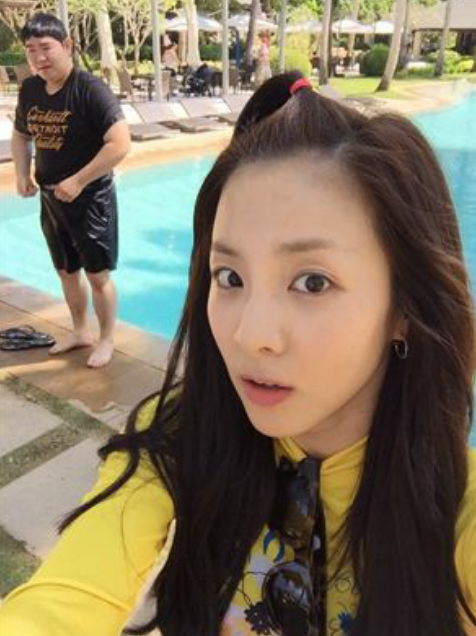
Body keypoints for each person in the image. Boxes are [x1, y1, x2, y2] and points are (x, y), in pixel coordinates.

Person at [1, 72, 475, 636]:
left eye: (313, 282)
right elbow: (63, 600)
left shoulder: (458, 510)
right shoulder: (182, 438)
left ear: (405, 306)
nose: (251, 335)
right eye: (229, 276)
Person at [11, 13, 130, 368]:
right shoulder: (31, 89)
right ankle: (80, 331)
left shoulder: (89, 89)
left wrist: (79, 180)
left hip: (90, 198)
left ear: (67, 45)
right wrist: (22, 173)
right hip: (51, 199)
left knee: (97, 275)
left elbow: (120, 143)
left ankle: (106, 338)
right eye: (31, 49)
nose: (38, 57)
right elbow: (20, 135)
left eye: (46, 48)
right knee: (66, 270)